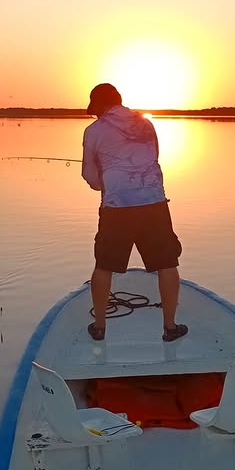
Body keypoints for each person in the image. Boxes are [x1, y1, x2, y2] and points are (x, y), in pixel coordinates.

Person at [81, 82, 188, 342]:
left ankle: (99, 328)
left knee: (104, 265)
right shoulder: (146, 124)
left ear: (99, 105)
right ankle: (170, 327)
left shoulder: (94, 131)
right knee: (167, 264)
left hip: (117, 207)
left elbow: (89, 175)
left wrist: (105, 184)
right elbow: (154, 157)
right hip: (154, 203)